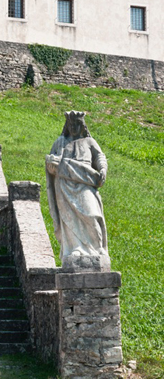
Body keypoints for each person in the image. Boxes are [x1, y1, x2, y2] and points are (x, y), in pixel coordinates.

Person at [45, 110, 110, 271]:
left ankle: (97, 248)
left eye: (77, 125)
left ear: (83, 126)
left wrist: (102, 169)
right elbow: (51, 163)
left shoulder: (89, 142)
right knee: (69, 218)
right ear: (67, 126)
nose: (73, 128)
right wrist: (52, 164)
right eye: (71, 124)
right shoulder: (60, 142)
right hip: (64, 185)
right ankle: (76, 248)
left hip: (85, 181)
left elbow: (99, 157)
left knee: (92, 214)